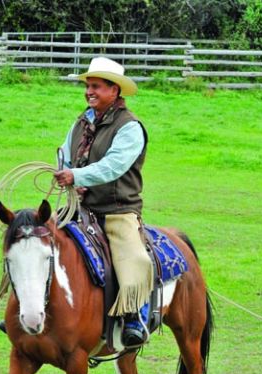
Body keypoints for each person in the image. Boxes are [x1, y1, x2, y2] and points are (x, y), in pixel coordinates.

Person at [54, 56, 153, 347]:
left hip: (117, 210)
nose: (89, 91)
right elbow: (64, 154)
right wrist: (65, 171)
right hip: (80, 207)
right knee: (37, 237)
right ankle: (30, 310)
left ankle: (134, 317)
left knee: (131, 256)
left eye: (96, 86)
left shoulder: (130, 127)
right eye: (87, 86)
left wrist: (77, 176)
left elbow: (114, 166)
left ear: (114, 90)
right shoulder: (82, 122)